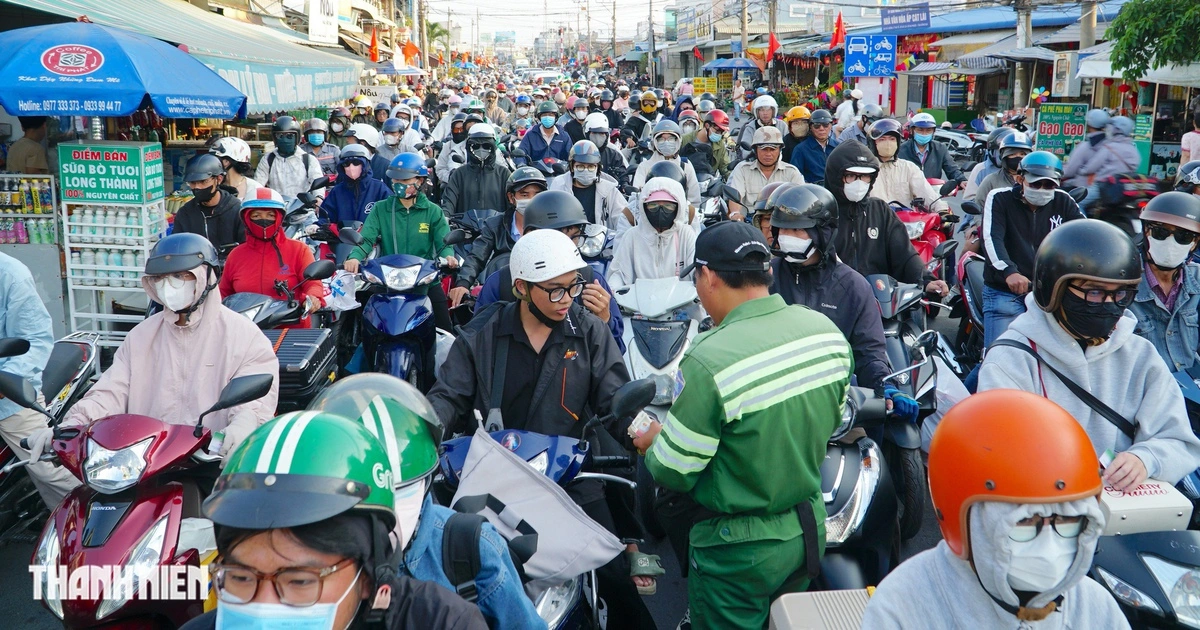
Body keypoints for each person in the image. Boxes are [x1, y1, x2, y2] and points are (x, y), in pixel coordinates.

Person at [429, 229, 658, 629]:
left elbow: (616, 396)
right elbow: (448, 397)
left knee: (616, 582)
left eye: (572, 287)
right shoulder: (482, 335)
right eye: (554, 290)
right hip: (494, 480)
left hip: (571, 479)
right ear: (521, 287)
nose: (566, 299)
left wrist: (645, 431)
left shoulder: (589, 332)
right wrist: (417, 430)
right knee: (449, 580)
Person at [633, 220, 852, 630]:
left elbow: (676, 470)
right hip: (807, 529)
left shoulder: (707, 359)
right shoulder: (826, 335)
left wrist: (653, 442)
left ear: (709, 276)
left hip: (737, 550)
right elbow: (830, 423)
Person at [183, 412, 488, 630]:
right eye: (240, 578)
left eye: (299, 581)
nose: (263, 608)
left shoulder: (442, 622)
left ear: (367, 577)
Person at [861, 390, 1131, 629]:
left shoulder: (1095, 609)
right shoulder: (902, 608)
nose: (1050, 551)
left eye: (1068, 523)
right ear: (964, 525)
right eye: (1024, 525)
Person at [309, 374, 544, 629]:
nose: (387, 515)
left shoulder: (472, 549)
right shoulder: (300, 550)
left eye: (402, 491)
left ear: (425, 484)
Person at [979, 219, 1200, 490]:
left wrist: (1145, 459)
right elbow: (999, 455)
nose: (1109, 305)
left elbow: (1178, 439)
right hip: (1045, 513)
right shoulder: (1012, 361)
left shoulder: (1140, 356)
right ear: (1054, 289)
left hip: (1127, 519)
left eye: (1121, 295)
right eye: (1094, 293)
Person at [26, 234, 279, 465]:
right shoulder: (141, 336)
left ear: (207, 277)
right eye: (160, 278)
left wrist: (243, 426)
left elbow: (253, 400)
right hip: (144, 460)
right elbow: (110, 392)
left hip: (211, 459)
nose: (169, 285)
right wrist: (71, 425)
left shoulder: (243, 336)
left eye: (181, 277)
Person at [766, 184, 891, 389]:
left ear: (822, 232)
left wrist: (884, 385)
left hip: (834, 398)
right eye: (783, 229)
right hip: (773, 393)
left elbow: (869, 352)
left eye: (797, 229)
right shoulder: (765, 277)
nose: (786, 236)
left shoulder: (854, 287)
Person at [473, 192, 625, 350]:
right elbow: (477, 348)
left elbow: (616, 352)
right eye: (557, 237)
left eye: (574, 237)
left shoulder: (591, 281)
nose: (568, 245)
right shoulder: (501, 283)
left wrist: (605, 320)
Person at [980, 151, 1084, 348]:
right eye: (1036, 184)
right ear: (1020, 179)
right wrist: (1009, 272)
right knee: (1001, 356)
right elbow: (992, 239)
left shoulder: (1063, 201)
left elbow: (1085, 236)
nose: (1043, 189)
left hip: (1050, 293)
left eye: (1049, 185)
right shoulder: (999, 198)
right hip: (1005, 292)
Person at [345, 153, 458, 332]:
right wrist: (354, 257)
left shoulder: (433, 211)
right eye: (395, 179)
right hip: (388, 281)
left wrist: (448, 257)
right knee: (370, 328)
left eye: (405, 180)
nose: (399, 183)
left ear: (420, 181)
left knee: (445, 331)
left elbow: (444, 243)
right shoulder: (381, 209)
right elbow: (366, 239)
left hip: (425, 281)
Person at [824, 141, 949, 297]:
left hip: (878, 296)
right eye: (850, 176)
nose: (858, 182)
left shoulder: (880, 210)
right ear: (836, 176)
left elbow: (903, 253)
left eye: (864, 176)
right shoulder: (822, 214)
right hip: (832, 298)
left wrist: (926, 279)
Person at [0, 250, 76, 507]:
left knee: (51, 468)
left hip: (8, 394)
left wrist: (6, 380)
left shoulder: (11, 274)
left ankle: (89, 525)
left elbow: (34, 339)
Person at [219, 188, 324, 327]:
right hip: (245, 333)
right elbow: (223, 293)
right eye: (256, 215)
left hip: (290, 332)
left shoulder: (299, 250)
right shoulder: (235, 255)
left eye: (270, 215)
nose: (264, 220)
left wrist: (313, 297)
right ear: (245, 218)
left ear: (280, 218)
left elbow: (313, 283)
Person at [450, 167, 548, 306]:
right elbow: (477, 256)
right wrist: (463, 283)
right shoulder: (495, 224)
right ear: (511, 197)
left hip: (542, 291)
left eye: (537, 195)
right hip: (503, 293)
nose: (531, 200)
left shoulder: (552, 226)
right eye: (524, 195)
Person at [1130, 192, 1200, 372]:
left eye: (1183, 236)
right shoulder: (1122, 282)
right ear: (1146, 232)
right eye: (1160, 232)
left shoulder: (1197, 280)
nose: (1171, 242)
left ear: (1194, 243)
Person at [608, 177, 697, 290]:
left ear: (678, 208)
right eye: (653, 206)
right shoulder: (632, 236)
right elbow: (619, 273)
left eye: (669, 206)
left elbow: (696, 270)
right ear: (643, 207)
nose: (660, 211)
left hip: (682, 305)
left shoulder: (686, 234)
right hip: (638, 304)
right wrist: (612, 290)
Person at [866, 119, 948, 213]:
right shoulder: (866, 170)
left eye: (892, 139)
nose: (888, 143)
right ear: (873, 143)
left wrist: (942, 210)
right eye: (882, 139)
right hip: (873, 222)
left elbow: (927, 194)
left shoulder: (908, 168)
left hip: (905, 224)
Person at [550, 140, 629, 237]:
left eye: (591, 167)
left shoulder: (609, 190)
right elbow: (550, 218)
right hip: (566, 242)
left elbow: (622, 219)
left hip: (599, 245)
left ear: (598, 168)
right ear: (571, 167)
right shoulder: (559, 185)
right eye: (580, 167)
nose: (586, 170)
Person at [173, 154, 245, 257]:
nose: (197, 187)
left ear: (219, 179)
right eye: (192, 183)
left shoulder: (236, 210)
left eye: (203, 181)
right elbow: (177, 247)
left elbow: (246, 248)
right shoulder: (185, 213)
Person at [728, 126, 805, 218]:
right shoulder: (742, 169)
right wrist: (736, 214)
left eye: (773, 149)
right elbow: (735, 198)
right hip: (750, 221)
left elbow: (801, 201)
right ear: (755, 150)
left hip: (782, 222)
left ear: (780, 150)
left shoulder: (792, 172)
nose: (768, 154)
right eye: (764, 149)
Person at [441, 123, 512, 216]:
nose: (481, 149)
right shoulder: (459, 174)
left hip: (497, 228)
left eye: (486, 146)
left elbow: (512, 204)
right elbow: (449, 202)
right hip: (464, 228)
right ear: (469, 148)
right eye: (475, 146)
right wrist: (446, 217)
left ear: (493, 147)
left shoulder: (503, 174)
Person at [1075, 116, 1142, 211]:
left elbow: (1091, 167)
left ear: (1116, 129)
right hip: (1125, 188)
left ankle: (1083, 226)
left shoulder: (1109, 147)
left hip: (1105, 187)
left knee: (1077, 202)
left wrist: (1081, 170)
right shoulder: (1133, 149)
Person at [632, 119, 702, 206]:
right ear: (655, 142)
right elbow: (636, 198)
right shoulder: (645, 166)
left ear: (678, 141)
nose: (666, 143)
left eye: (671, 139)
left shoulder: (685, 165)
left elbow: (694, 200)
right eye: (661, 139)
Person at [321, 144, 392, 227]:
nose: (351, 167)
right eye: (346, 164)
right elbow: (325, 217)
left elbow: (392, 215)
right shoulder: (337, 191)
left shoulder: (379, 188)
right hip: (341, 238)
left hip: (372, 238)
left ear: (365, 165)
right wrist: (317, 226)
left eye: (356, 163)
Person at [255, 116, 324, 200]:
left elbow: (317, 180)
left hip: (302, 209)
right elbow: (258, 184)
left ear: (297, 137)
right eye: (280, 136)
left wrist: (318, 197)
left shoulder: (308, 160)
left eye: (290, 136)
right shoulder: (268, 159)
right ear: (274, 138)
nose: (284, 140)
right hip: (277, 208)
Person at [898, 112, 964, 184]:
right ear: (911, 130)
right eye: (920, 130)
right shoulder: (901, 150)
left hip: (933, 191)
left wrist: (961, 180)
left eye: (928, 130)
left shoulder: (940, 149)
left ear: (933, 131)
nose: (924, 134)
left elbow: (952, 169)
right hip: (908, 192)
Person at [974, 131, 1033, 205]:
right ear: (1004, 157)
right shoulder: (991, 180)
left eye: (1022, 154)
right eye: (1012, 154)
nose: (1018, 157)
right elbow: (979, 207)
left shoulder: (1036, 181)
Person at [962, 127, 1015, 202]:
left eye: (1021, 154)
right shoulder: (981, 169)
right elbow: (969, 200)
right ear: (992, 151)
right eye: (1002, 152)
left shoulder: (1026, 172)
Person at [1062, 108, 1111, 188]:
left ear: (1089, 125)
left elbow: (1069, 171)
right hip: (1105, 189)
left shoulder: (1085, 147)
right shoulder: (1110, 145)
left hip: (1083, 189)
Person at [790, 109, 838, 185]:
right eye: (817, 125)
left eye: (825, 124)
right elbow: (795, 176)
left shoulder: (838, 147)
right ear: (811, 127)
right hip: (812, 191)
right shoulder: (801, 149)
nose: (821, 129)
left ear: (831, 125)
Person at [208, 136, 264, 202]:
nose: (210, 163)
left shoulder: (255, 188)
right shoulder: (211, 185)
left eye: (215, 159)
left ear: (226, 162)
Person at [736, 95, 788, 162]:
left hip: (780, 161)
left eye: (768, 110)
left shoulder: (782, 125)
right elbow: (745, 149)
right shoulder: (751, 127)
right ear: (757, 112)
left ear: (773, 111)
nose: (765, 113)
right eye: (762, 110)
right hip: (755, 162)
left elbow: (787, 145)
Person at [683, 109, 732, 181]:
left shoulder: (719, 144)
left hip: (708, 184)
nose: (719, 135)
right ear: (707, 125)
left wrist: (733, 182)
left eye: (722, 132)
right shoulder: (685, 140)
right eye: (717, 131)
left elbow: (725, 168)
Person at [583, 112, 628, 182]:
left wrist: (624, 184)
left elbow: (623, 175)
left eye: (602, 133)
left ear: (607, 135)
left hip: (608, 191)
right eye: (594, 133)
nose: (598, 138)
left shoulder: (614, 154)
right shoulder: (579, 151)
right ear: (587, 134)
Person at [436, 113, 471, 183]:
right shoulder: (447, 146)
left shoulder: (472, 144)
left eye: (462, 129)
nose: (459, 132)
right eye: (456, 129)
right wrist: (451, 177)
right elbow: (440, 169)